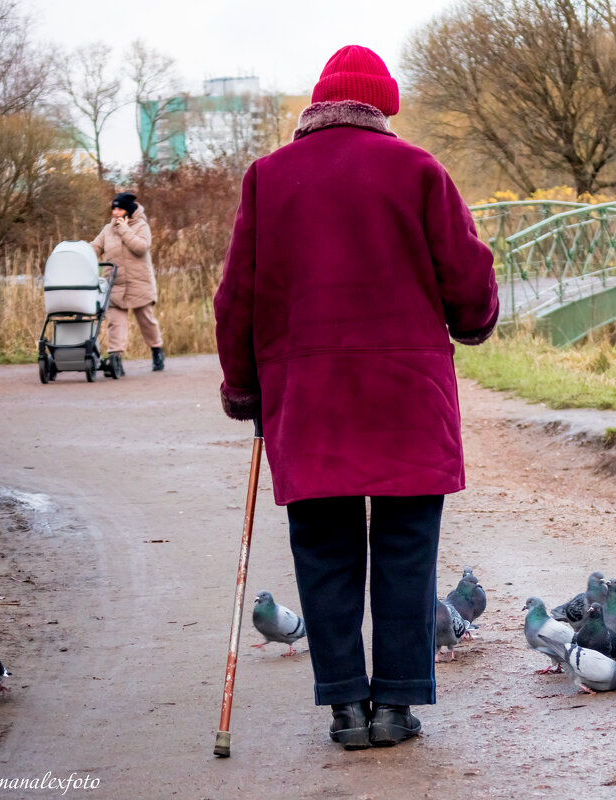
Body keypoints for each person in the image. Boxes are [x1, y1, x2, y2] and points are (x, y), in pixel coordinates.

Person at [214, 45, 499, 750]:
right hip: (407, 401)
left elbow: (235, 300)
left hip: (308, 402)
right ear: (382, 108)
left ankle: (344, 705)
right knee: (406, 553)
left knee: (323, 550)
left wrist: (244, 388)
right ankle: (397, 705)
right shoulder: (419, 171)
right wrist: (474, 320)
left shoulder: (266, 179)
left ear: (318, 106)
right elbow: (469, 285)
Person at [89, 193, 165, 375]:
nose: (115, 212)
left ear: (129, 211)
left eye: (119, 208)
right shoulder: (107, 229)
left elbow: (141, 247)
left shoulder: (141, 226)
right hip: (115, 284)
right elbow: (95, 248)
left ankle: (157, 351)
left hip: (139, 283)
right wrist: (80, 252)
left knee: (146, 320)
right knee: (115, 323)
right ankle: (115, 360)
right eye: (113, 209)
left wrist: (124, 229)